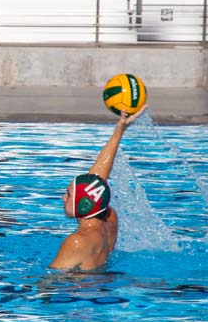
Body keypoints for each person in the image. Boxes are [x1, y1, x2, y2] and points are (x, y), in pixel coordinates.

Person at [50, 107, 145, 271]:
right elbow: (96, 182)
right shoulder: (109, 219)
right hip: (103, 283)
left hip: (81, 291)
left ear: (84, 204)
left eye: (68, 194)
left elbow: (50, 283)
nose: (63, 198)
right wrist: (119, 132)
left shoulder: (76, 241)